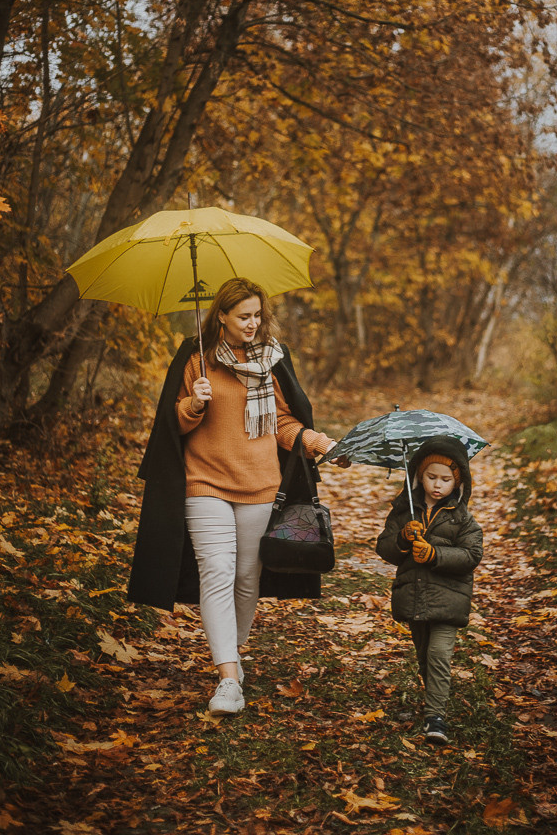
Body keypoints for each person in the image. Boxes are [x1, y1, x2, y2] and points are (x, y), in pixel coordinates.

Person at [128, 277, 336, 715]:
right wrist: (195, 404)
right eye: (244, 316)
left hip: (261, 486)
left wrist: (318, 443)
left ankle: (233, 653)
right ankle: (227, 678)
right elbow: (175, 423)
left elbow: (283, 424)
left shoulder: (272, 357)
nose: (252, 323)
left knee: (246, 579)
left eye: (258, 315)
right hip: (204, 482)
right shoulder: (195, 357)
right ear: (221, 315)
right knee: (217, 570)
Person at [375, 434, 483, 744]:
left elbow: (472, 555)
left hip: (449, 599)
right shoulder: (405, 512)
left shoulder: (462, 518)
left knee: (439, 654)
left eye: (445, 479)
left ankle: (436, 716)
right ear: (418, 477)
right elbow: (385, 549)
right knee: (425, 656)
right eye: (431, 476)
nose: (437, 484)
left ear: (457, 481)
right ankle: (434, 694)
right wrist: (403, 539)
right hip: (416, 597)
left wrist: (436, 555)